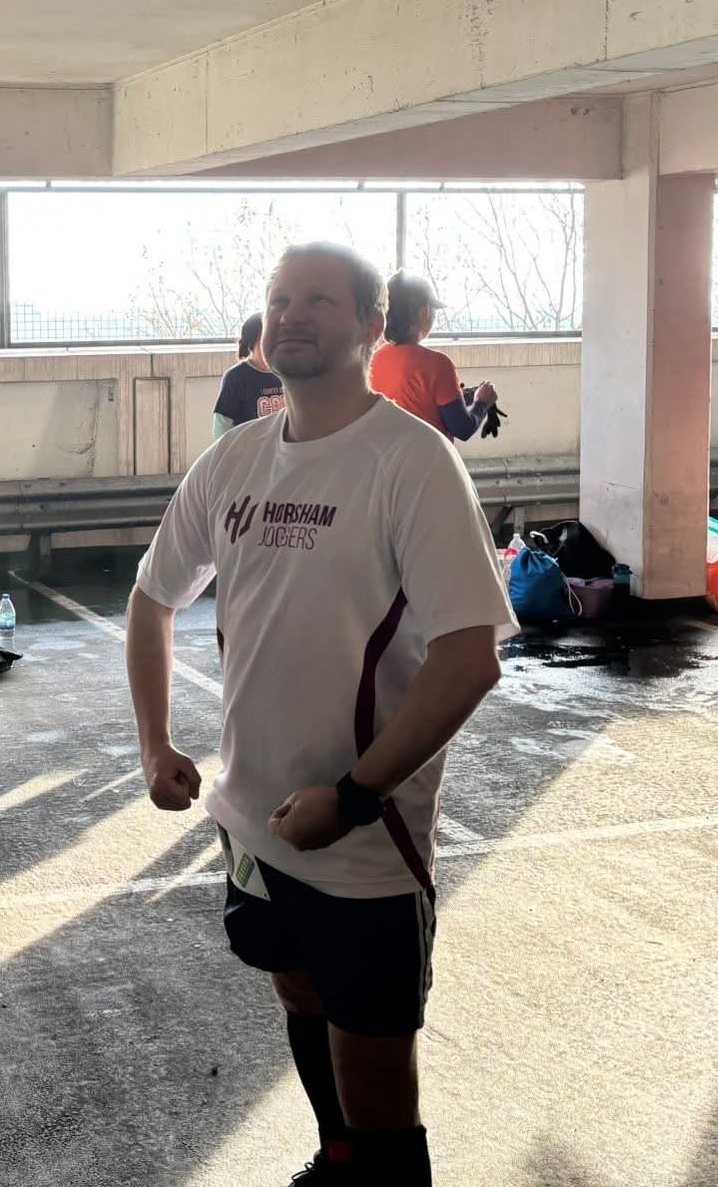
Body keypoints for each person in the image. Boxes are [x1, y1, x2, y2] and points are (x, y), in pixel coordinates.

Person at [127, 242, 514, 1186]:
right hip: (253, 821)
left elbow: (471, 657)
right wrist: (154, 746)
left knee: (376, 1058)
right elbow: (151, 598)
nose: (293, 315)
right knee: (296, 985)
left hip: (362, 831)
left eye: (321, 301)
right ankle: (335, 1157)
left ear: (372, 326)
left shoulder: (411, 462)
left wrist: (353, 792)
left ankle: (370, 1165)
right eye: (280, 299)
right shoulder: (233, 463)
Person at [368, 272, 497, 441]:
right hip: (430, 462)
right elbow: (463, 428)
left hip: (388, 461)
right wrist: (482, 402)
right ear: (425, 312)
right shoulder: (438, 365)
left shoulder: (372, 360)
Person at [213, 312, 285, 439]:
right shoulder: (236, 376)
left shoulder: (286, 371)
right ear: (252, 341)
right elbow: (222, 423)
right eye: (267, 336)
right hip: (248, 450)